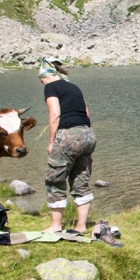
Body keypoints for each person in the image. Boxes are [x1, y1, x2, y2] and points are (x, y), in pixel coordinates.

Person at [38, 56, 96, 235]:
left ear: (45, 76)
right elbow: (86, 113)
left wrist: (51, 142)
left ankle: (56, 226)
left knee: (55, 179)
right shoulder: (74, 87)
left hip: (68, 135)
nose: (41, 83)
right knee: (81, 180)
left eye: (41, 80)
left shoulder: (50, 87)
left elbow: (55, 114)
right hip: (88, 134)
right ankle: (81, 226)